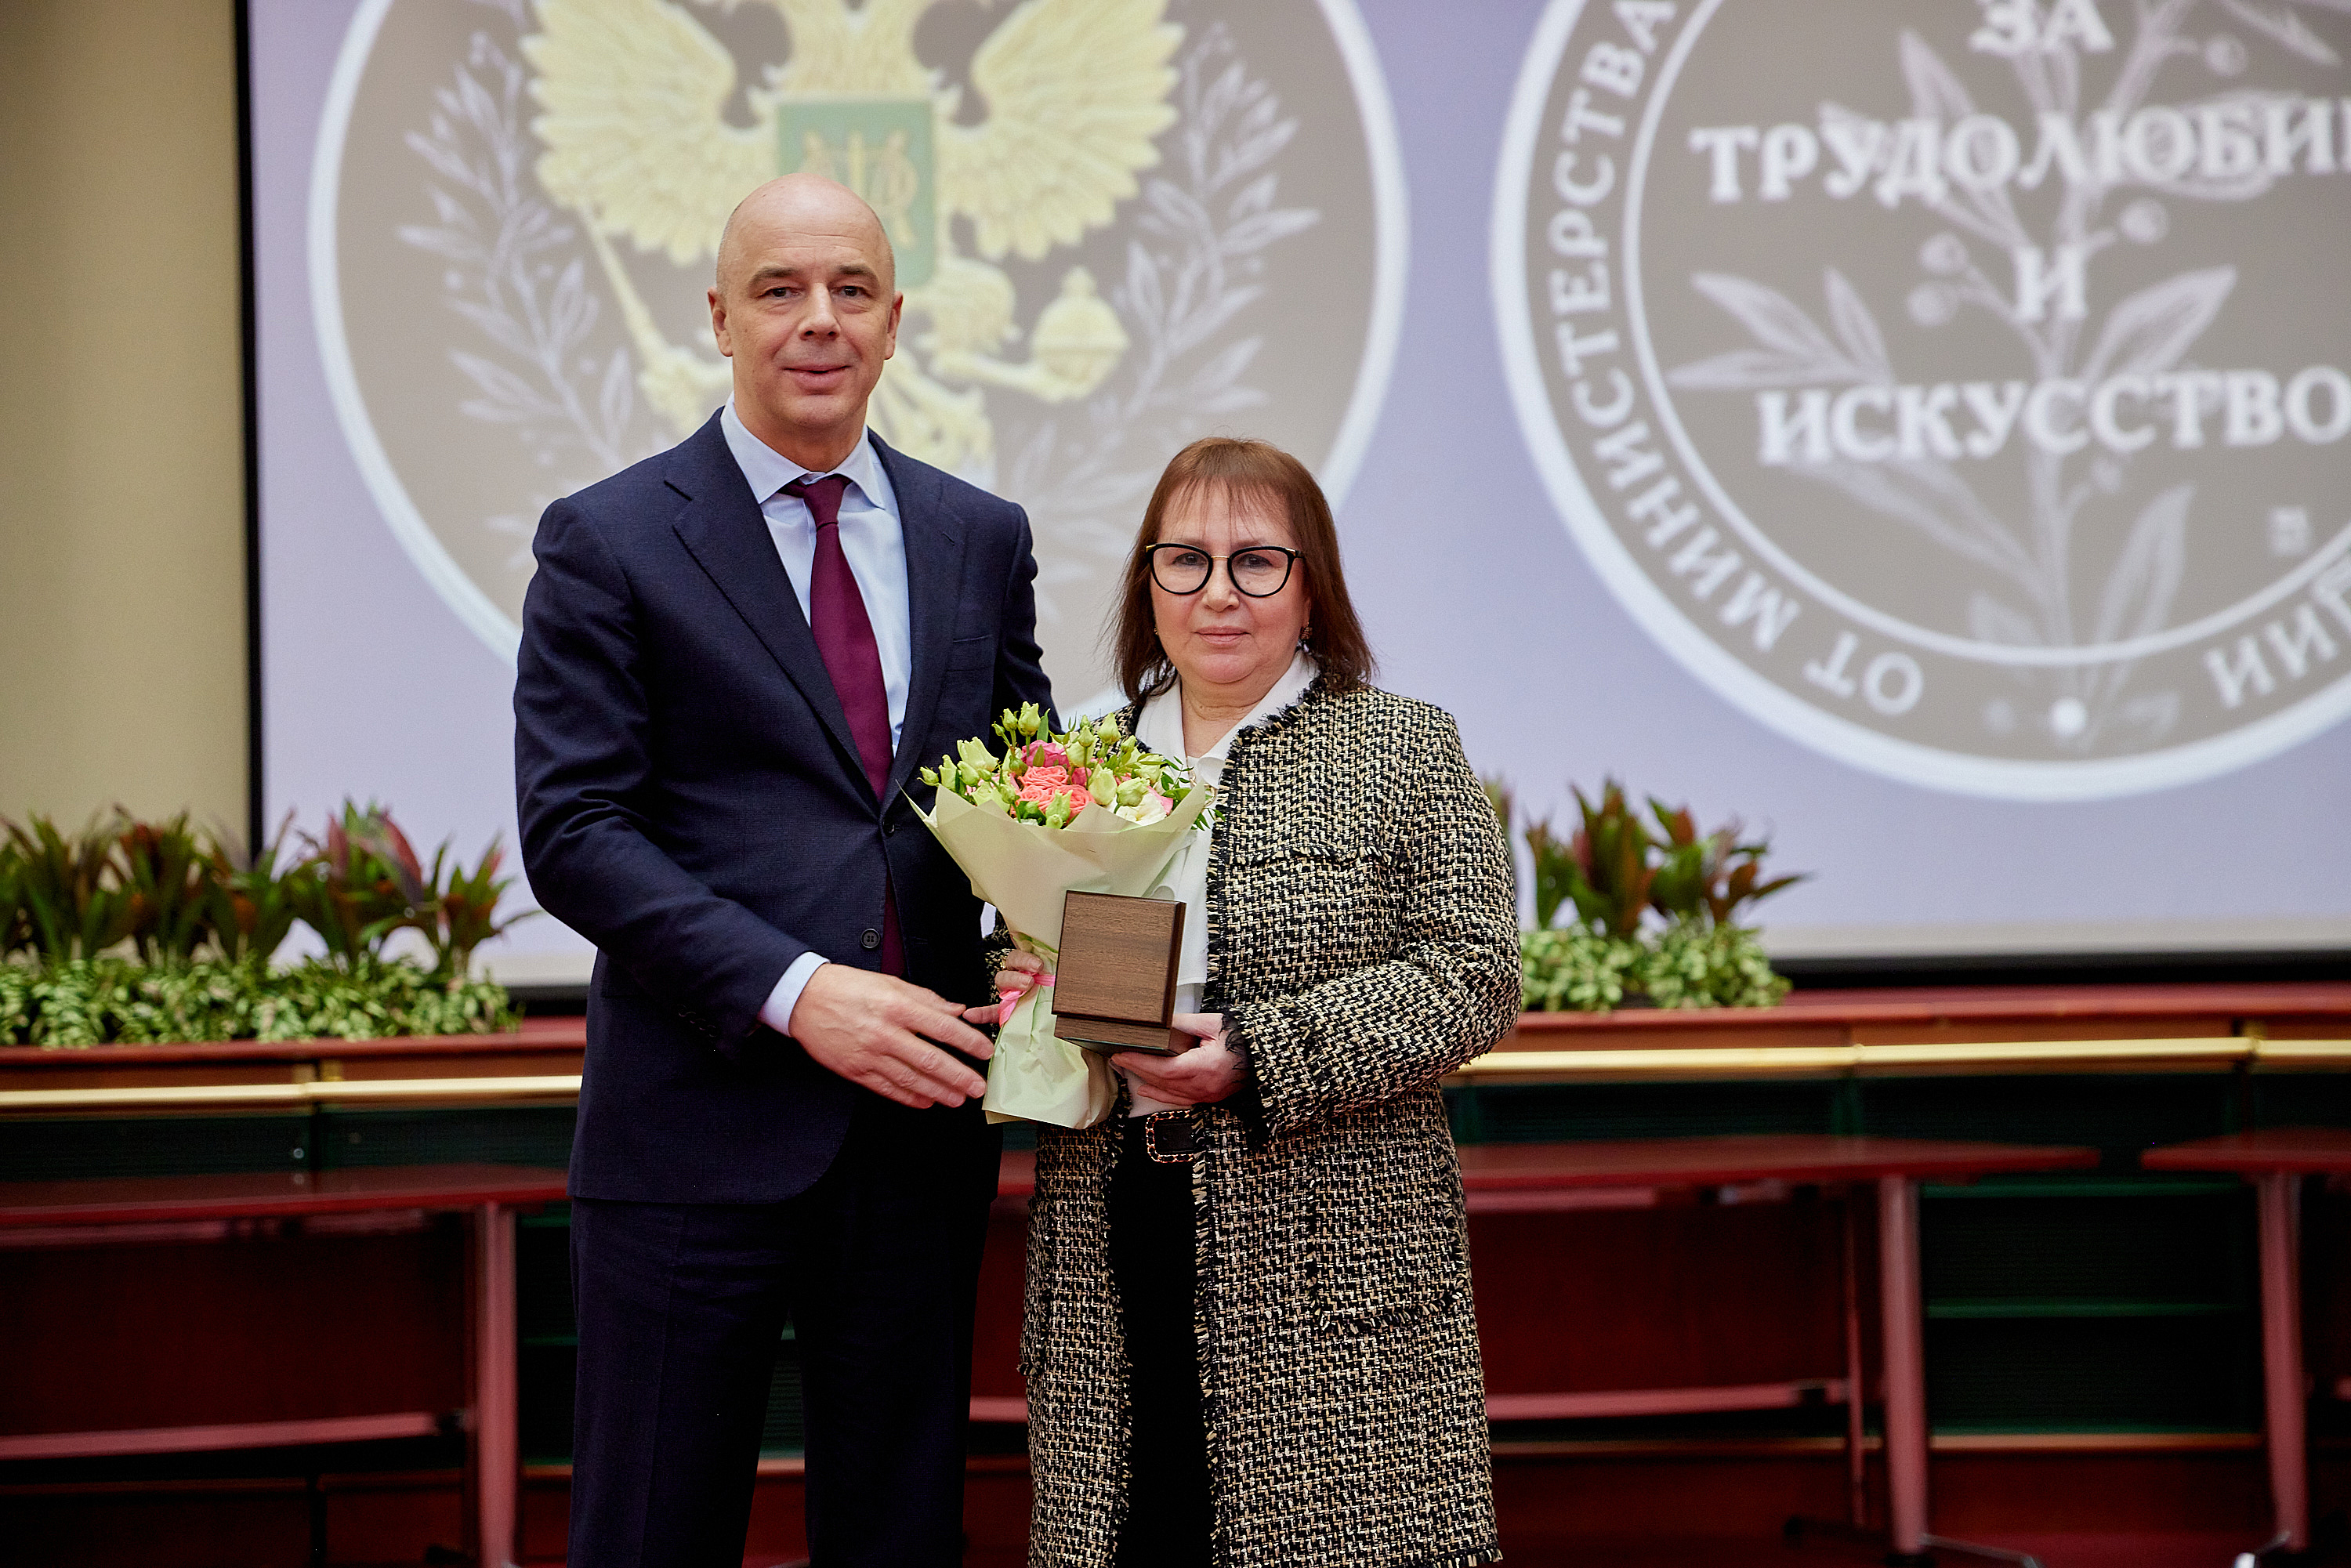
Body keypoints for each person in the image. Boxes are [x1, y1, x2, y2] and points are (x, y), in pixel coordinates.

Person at [513, 174, 1052, 1568]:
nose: (819, 319)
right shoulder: (609, 537)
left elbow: (1036, 803)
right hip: (692, 1136)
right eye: (780, 289)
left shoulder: (980, 534)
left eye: (851, 290)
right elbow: (574, 829)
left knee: (900, 1540)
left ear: (894, 323)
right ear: (719, 317)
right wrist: (801, 990)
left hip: (918, 1140)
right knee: (652, 1536)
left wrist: (1077, 968)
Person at [995, 438, 1520, 1566]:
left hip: (1333, 1243)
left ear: (1310, 585)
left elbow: (1474, 973)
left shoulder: (1401, 748)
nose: (1219, 593)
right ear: (1148, 583)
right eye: (1185, 559)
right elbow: (1028, 949)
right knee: (1139, 1534)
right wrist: (1022, 984)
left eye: (1256, 562)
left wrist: (1259, 1052)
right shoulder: (1080, 761)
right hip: (1107, 1226)